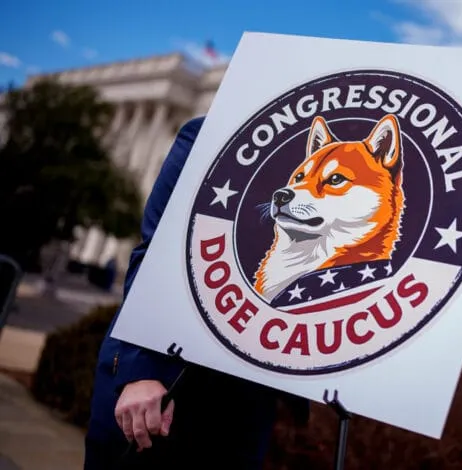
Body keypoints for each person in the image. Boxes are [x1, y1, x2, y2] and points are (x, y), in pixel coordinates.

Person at [84, 117, 308, 469]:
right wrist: (141, 369)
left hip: (245, 405)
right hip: (160, 387)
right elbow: (156, 254)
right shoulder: (210, 133)